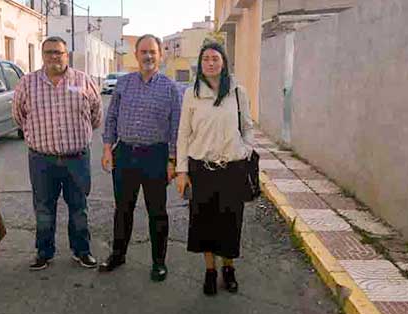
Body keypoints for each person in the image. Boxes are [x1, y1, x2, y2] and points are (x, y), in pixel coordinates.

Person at [13, 36, 102, 271]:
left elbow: (96, 113)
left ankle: (81, 251)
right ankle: (44, 252)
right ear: (43, 55)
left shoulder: (82, 80)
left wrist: (78, 135)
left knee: (79, 208)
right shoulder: (27, 83)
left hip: (77, 158)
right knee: (43, 208)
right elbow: (19, 116)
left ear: (67, 55)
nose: (55, 56)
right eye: (50, 52)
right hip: (42, 159)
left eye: (59, 52)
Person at [99, 34, 182, 282]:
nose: (148, 56)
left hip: (155, 156)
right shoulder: (123, 84)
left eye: (152, 52)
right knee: (122, 208)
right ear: (135, 55)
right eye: (143, 51)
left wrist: (172, 160)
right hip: (124, 153)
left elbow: (176, 128)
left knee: (157, 212)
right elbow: (111, 117)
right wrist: (107, 149)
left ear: (160, 55)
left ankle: (159, 262)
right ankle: (118, 254)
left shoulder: (170, 88)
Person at [175, 42, 254, 295]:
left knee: (230, 222)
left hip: (232, 168)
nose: (210, 63)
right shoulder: (192, 94)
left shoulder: (238, 92)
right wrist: (182, 171)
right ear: (200, 63)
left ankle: (228, 269)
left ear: (223, 63)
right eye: (206, 58)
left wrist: (246, 150)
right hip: (202, 169)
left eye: (215, 58)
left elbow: (248, 126)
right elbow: (183, 135)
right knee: (204, 223)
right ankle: (210, 271)